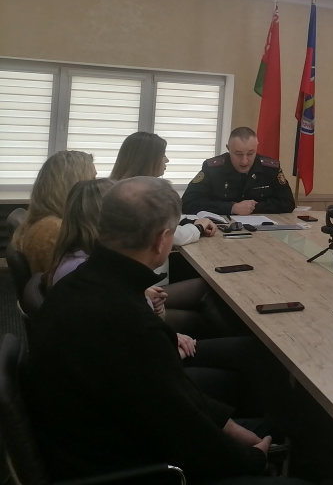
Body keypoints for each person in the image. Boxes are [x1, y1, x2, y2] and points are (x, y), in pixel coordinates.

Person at [26, 177, 275, 479]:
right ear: (161, 241)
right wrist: (253, 461)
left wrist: (229, 426)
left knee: (257, 423)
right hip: (129, 468)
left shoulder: (80, 285)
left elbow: (174, 394)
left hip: (95, 441)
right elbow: (184, 431)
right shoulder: (128, 323)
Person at [47, 177, 237, 339]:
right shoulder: (88, 278)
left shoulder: (85, 266)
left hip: (141, 313)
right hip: (143, 329)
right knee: (203, 321)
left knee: (205, 292)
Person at [113, 131, 217, 245]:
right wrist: (199, 227)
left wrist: (192, 221)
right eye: (163, 155)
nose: (167, 160)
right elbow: (173, 236)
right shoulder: (140, 196)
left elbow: (163, 219)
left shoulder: (117, 189)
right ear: (148, 160)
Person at [10, 150, 96, 273]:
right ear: (71, 185)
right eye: (92, 179)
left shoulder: (48, 221)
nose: (96, 186)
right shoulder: (52, 232)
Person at [182, 127, 295, 216]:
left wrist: (252, 208)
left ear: (257, 147)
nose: (244, 160)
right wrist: (231, 208)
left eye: (250, 154)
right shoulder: (213, 169)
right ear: (228, 148)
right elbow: (187, 203)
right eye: (238, 154)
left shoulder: (270, 168)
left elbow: (288, 202)